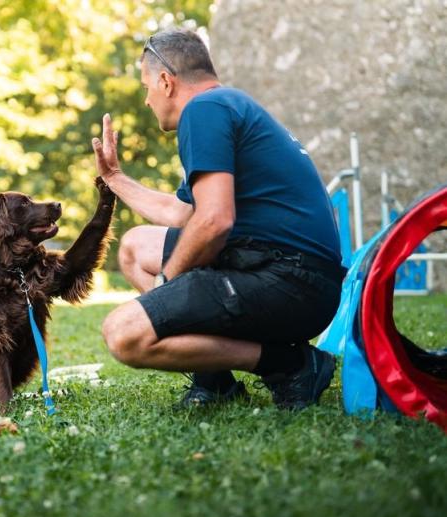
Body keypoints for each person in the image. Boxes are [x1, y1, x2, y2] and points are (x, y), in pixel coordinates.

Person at [93, 28, 345, 410]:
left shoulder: (204, 111)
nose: (146, 100)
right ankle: (215, 381)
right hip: (297, 277)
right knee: (134, 248)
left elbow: (213, 222)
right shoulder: (225, 105)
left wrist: (166, 284)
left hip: (290, 282)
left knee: (123, 335)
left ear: (166, 81)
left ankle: (291, 365)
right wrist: (115, 179)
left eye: (147, 86)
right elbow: (181, 214)